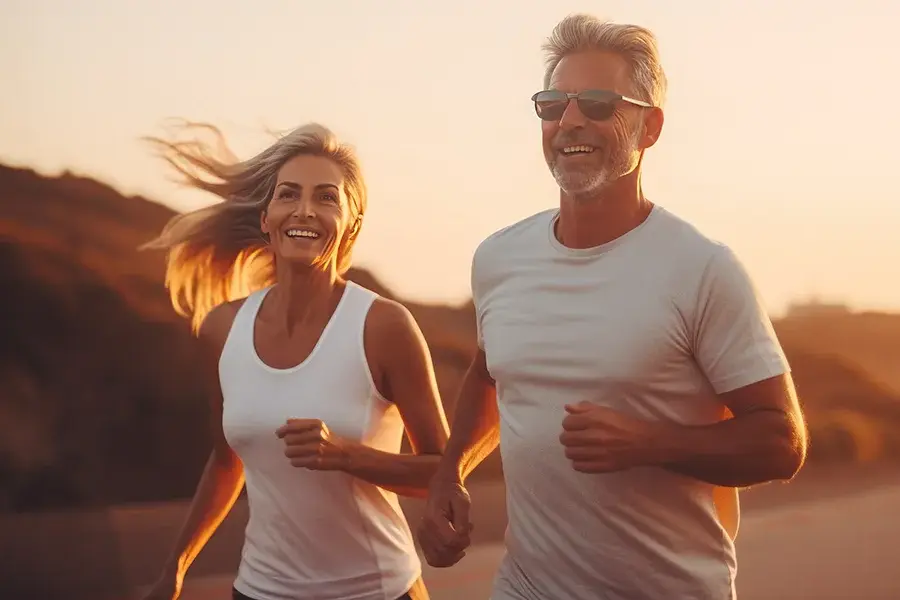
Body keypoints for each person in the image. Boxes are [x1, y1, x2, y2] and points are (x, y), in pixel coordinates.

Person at [417, 14, 808, 600]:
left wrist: (649, 443)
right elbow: (491, 369)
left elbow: (782, 441)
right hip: (525, 587)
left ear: (649, 128)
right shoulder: (498, 258)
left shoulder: (702, 268)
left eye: (598, 103)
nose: (570, 119)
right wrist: (450, 474)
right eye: (553, 104)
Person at [139, 121, 449, 600]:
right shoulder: (222, 329)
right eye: (288, 194)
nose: (304, 210)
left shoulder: (384, 327)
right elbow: (226, 462)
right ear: (266, 217)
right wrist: (175, 568)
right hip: (260, 590)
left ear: (351, 223)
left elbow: (443, 472)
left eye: (327, 198)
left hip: (377, 591)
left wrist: (347, 455)